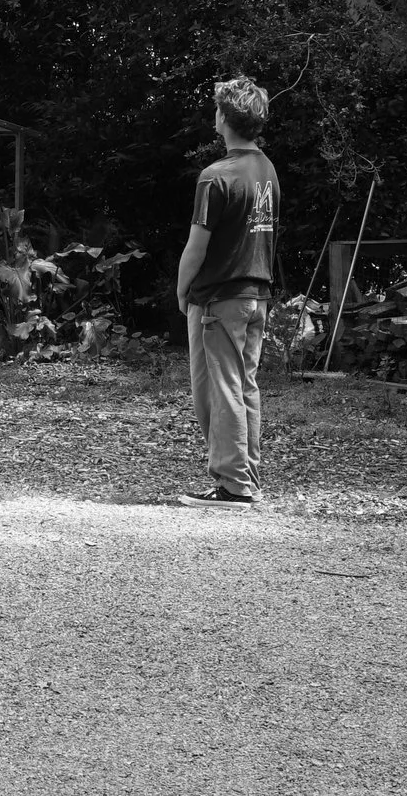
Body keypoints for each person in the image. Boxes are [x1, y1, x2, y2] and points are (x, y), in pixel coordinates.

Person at [173, 74, 279, 509]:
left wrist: (182, 292)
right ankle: (245, 478)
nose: (214, 118)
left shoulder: (215, 176)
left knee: (220, 391)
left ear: (224, 118)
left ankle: (233, 486)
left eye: (216, 110)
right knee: (244, 386)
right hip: (258, 295)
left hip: (220, 299)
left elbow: (197, 247)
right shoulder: (266, 169)